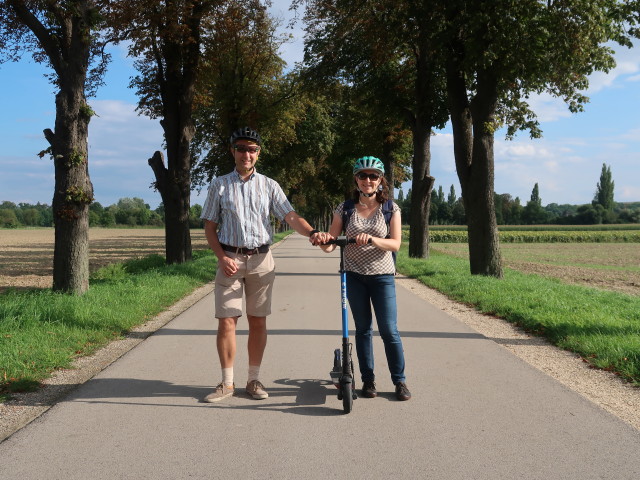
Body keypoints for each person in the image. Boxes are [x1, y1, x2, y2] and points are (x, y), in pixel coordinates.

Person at [200, 127, 328, 402]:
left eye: (252, 149)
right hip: (230, 260)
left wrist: (313, 232)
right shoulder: (219, 184)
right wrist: (221, 257)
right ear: (232, 151)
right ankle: (227, 383)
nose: (247, 154)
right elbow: (210, 227)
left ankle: (253, 380)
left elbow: (291, 216)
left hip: (261, 260)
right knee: (226, 321)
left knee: (258, 321)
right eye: (242, 148)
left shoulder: (269, 185)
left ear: (259, 153)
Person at [319, 156, 411, 401]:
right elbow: (331, 243)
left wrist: (370, 239)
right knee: (363, 330)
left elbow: (395, 243)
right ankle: (368, 380)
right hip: (354, 276)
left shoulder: (391, 208)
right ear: (356, 180)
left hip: (382, 276)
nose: (368, 180)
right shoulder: (345, 208)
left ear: (380, 180)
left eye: (373, 176)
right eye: (363, 176)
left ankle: (399, 381)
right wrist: (321, 240)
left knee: (389, 331)